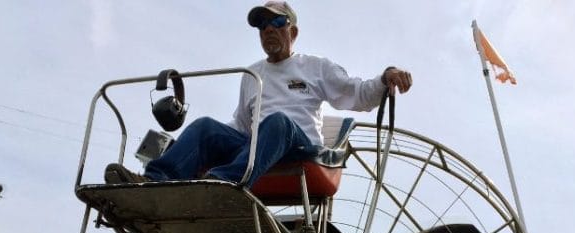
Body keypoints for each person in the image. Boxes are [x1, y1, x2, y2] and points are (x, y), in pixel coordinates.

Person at [104, 1, 412, 188]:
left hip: (297, 146)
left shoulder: (315, 67)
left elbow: (357, 94)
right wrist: (211, 142)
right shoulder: (252, 75)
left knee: (277, 122)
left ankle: (223, 184)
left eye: (277, 22)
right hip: (255, 148)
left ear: (293, 32)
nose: (269, 30)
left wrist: (385, 77)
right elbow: (240, 125)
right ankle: (155, 181)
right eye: (263, 26)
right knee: (205, 127)